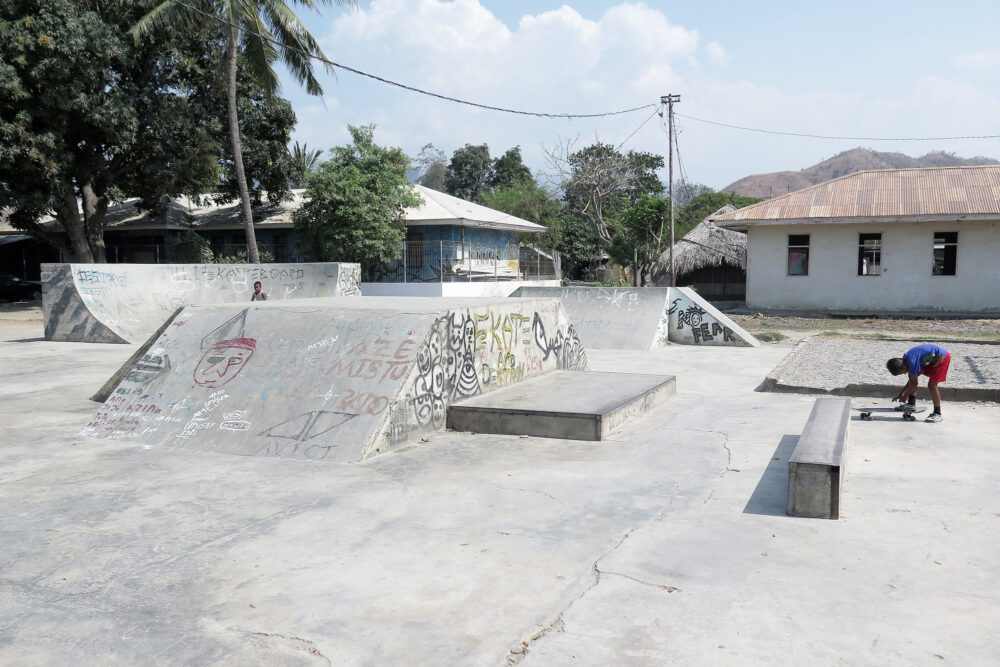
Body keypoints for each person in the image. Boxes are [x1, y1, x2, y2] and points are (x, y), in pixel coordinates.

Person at [886, 343, 950, 423]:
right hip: (930, 359)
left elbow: (914, 384)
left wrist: (904, 396)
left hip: (942, 358)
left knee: (932, 385)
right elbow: (912, 382)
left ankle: (937, 413)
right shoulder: (906, 359)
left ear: (903, 366)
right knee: (912, 377)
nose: (904, 373)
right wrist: (901, 394)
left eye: (902, 372)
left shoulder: (912, 362)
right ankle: (911, 404)